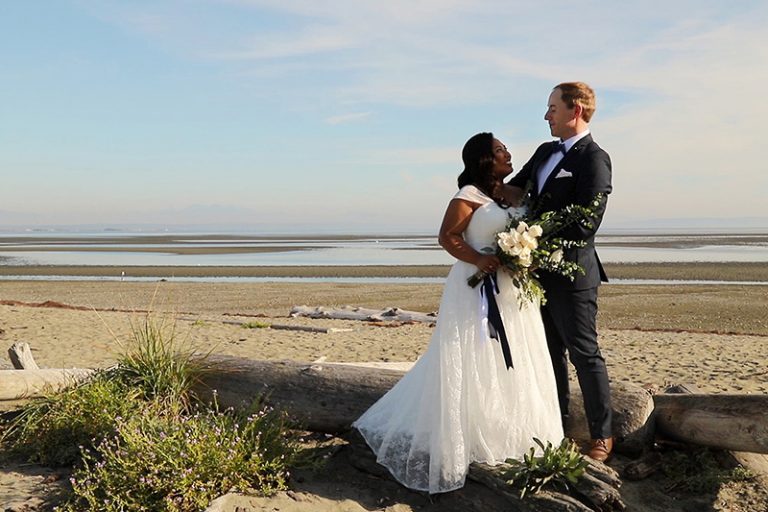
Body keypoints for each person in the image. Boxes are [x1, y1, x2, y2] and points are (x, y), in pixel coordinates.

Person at [353, 132, 564, 494]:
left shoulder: (515, 193)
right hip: (475, 285)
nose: (508, 153)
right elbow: (447, 237)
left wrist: (523, 256)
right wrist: (480, 258)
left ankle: (510, 432)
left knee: (515, 356)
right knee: (474, 353)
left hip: (513, 289)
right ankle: (467, 432)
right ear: (484, 159)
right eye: (500, 150)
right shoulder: (467, 196)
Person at [507, 82, 614, 461]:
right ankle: (557, 425)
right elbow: (513, 192)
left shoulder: (594, 159)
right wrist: (473, 185)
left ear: (576, 111)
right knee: (549, 353)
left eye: (553, 107)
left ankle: (603, 436)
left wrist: (537, 245)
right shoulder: (544, 152)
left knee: (584, 353)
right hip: (536, 276)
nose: (546, 115)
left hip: (573, 275)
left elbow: (587, 222)